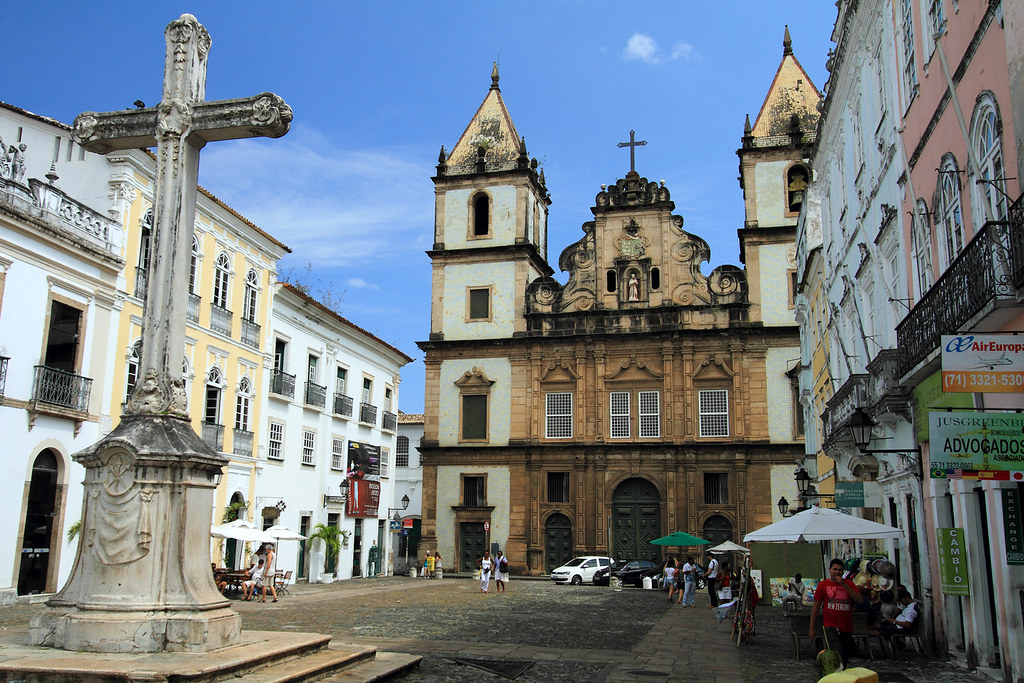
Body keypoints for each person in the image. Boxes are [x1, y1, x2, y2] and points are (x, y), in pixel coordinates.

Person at [809, 558, 866, 668]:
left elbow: (859, 600)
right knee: (837, 652)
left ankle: (840, 673)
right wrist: (811, 628)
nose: (837, 572)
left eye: (840, 570)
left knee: (845, 655)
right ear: (830, 570)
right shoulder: (823, 585)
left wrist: (844, 584)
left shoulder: (849, 584)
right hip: (830, 625)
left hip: (846, 626)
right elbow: (816, 607)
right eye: (835, 569)